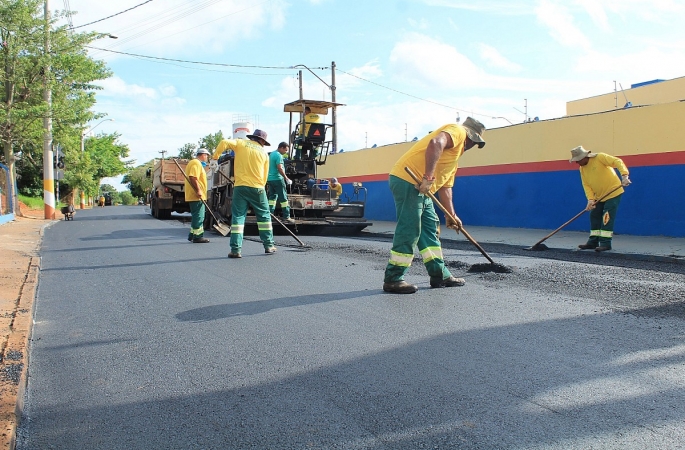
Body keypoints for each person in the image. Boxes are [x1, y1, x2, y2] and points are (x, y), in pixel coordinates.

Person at [383, 117, 486, 294]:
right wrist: (428, 178)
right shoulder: (458, 131)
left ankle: (439, 274)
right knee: (410, 228)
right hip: (409, 181)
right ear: (471, 136)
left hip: (422, 189)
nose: (472, 146)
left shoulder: (453, 160)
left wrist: (451, 215)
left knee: (430, 228)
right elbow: (435, 142)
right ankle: (393, 278)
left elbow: (446, 188)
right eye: (474, 142)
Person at [212, 129, 276, 258]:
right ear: (262, 141)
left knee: (238, 217)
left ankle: (236, 250)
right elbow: (265, 175)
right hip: (257, 187)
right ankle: (269, 245)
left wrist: (215, 158)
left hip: (240, 187)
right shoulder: (264, 154)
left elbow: (224, 142)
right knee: (264, 217)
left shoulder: (241, 144)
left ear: (253, 137)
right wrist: (261, 188)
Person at [569, 145, 631, 252]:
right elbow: (586, 184)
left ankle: (605, 243)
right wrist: (590, 199)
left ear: (585, 156)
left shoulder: (600, 157)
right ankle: (593, 242)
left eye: (578, 160)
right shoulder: (582, 169)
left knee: (606, 217)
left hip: (613, 192)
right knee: (594, 215)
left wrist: (624, 176)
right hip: (599, 196)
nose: (577, 163)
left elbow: (617, 161)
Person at [184, 148, 211, 243]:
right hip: (196, 195)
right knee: (199, 216)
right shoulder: (196, 163)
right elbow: (193, 177)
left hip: (195, 195)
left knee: (197, 216)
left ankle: (192, 234)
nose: (207, 157)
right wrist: (199, 190)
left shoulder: (196, 164)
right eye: (206, 155)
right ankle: (198, 236)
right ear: (202, 155)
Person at [267, 142, 294, 223]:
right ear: (281, 148)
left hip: (270, 179)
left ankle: (270, 215)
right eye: (285, 150)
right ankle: (286, 217)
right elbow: (280, 168)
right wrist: (286, 178)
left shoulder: (271, 154)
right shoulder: (279, 155)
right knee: (283, 199)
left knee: (272, 198)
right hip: (278, 179)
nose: (286, 152)